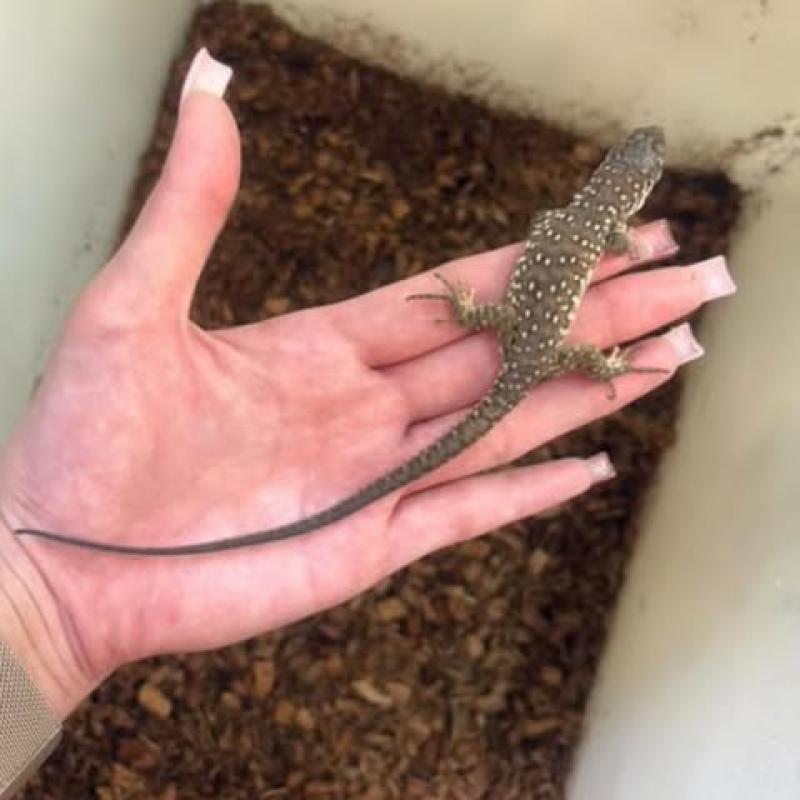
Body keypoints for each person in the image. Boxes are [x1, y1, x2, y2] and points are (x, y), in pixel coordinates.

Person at [0, 48, 733, 780]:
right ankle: (606, 367)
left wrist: (42, 612)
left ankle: (546, 343)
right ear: (630, 194)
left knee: (499, 384)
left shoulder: (564, 216)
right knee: (581, 367)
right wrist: (41, 617)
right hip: (531, 345)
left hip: (516, 334)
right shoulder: (605, 235)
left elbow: (550, 232)